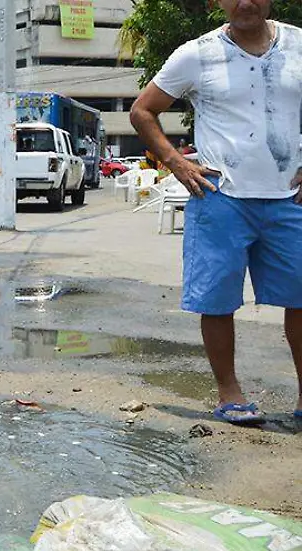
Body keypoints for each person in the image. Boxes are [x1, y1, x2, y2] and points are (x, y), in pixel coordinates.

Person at [130, 0, 302, 426]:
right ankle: (230, 393)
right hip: (221, 195)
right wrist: (176, 161)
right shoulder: (197, 53)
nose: (246, 2)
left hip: (290, 199)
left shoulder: (299, 44)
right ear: (217, 3)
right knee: (218, 299)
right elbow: (142, 110)